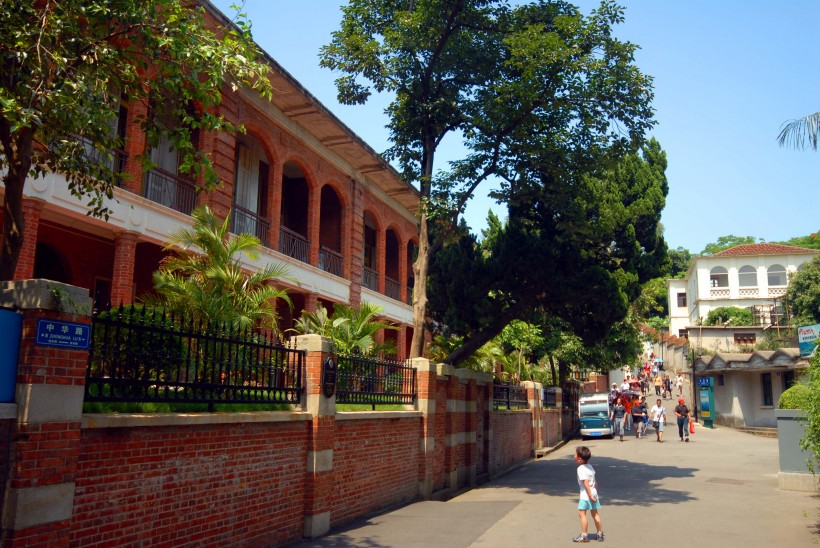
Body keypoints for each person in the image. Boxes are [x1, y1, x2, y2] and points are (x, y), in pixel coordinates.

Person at [573, 446, 604, 543]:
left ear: (579, 458)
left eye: (575, 454)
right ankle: (599, 533)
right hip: (594, 493)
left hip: (586, 495)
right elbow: (594, 480)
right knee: (595, 513)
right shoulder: (590, 466)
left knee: (582, 514)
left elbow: (585, 482)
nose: (574, 455)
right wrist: (593, 492)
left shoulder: (580, 468)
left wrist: (589, 495)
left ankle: (584, 535)